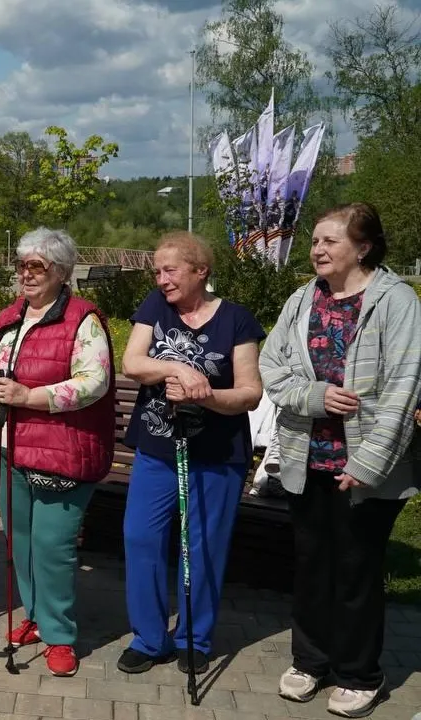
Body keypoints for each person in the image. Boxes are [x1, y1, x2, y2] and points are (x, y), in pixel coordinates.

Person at [258, 203, 421, 718]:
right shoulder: (304, 298)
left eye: (330, 241)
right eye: (314, 241)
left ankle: (358, 674)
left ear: (363, 247)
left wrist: (367, 464)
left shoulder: (396, 302)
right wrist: (315, 396)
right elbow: (272, 365)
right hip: (307, 458)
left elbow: (403, 388)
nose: (317, 250)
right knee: (311, 566)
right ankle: (310, 661)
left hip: (366, 466)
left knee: (355, 570)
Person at [0, 228, 116, 677]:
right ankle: (34, 615)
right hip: (11, 449)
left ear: (61, 271)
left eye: (37, 266)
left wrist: (30, 397)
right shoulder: (10, 316)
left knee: (53, 548)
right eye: (21, 265)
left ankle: (59, 635)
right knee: (23, 542)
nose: (26, 274)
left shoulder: (82, 318)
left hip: (61, 452)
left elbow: (94, 382)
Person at [119, 231, 264, 677]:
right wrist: (179, 367)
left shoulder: (237, 320)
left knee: (201, 548)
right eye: (157, 271)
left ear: (201, 270)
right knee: (140, 537)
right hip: (158, 448)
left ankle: (194, 638)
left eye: (170, 270)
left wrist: (205, 396)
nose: (161, 279)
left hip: (216, 454)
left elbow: (250, 393)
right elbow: (134, 363)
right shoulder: (156, 308)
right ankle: (149, 637)